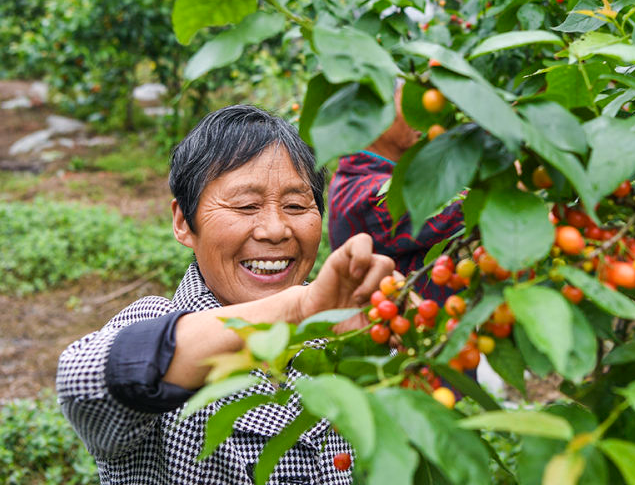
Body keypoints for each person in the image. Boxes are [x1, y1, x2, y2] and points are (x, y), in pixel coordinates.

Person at [57, 105, 394, 484]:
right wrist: (298, 307)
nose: (275, 229)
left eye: (297, 206)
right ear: (184, 222)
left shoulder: (348, 334)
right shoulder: (156, 322)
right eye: (246, 205)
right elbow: (83, 383)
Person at [328, 84, 463, 302]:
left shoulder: (375, 176)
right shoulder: (365, 193)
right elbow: (455, 212)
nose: (422, 116)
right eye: (409, 105)